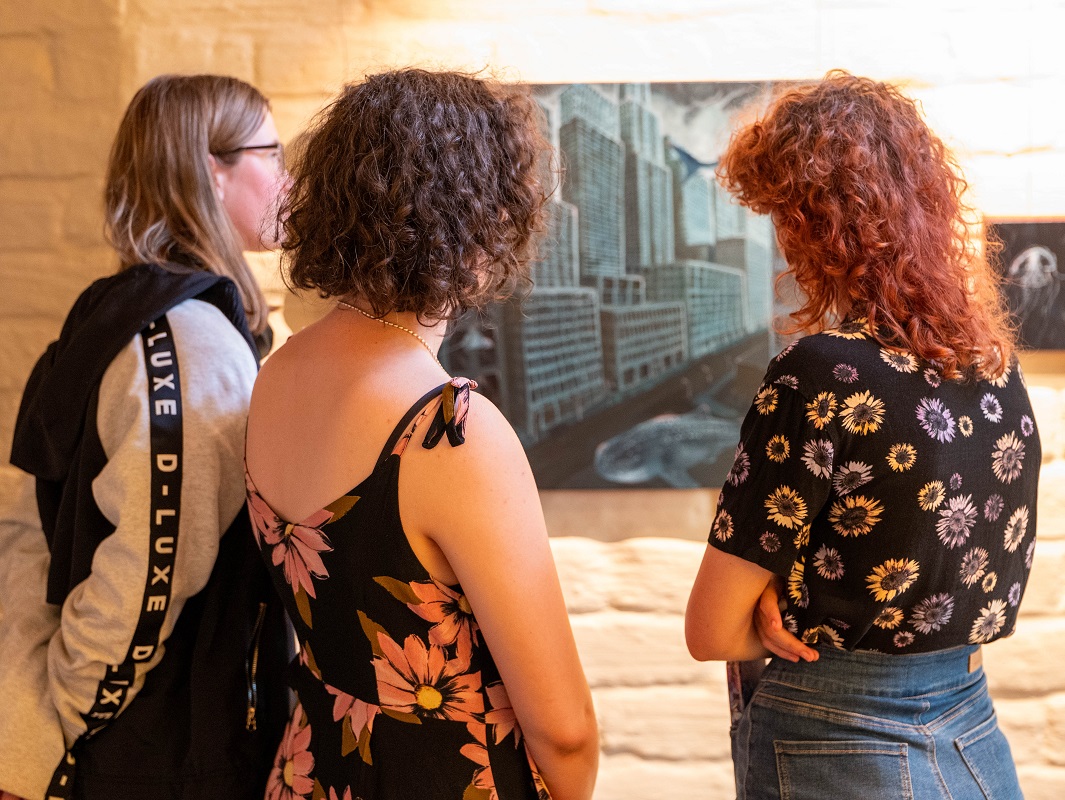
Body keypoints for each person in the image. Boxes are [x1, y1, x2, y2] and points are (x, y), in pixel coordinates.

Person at [244, 68, 599, 800]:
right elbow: (563, 731)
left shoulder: (278, 373)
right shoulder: (449, 430)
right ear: (482, 217)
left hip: (312, 771)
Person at [685, 71, 1037, 800]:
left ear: (819, 224)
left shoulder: (821, 373)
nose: (781, 238)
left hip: (836, 738)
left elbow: (710, 632)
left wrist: (767, 599)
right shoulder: (994, 373)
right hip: (972, 736)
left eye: (786, 212)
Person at [0, 74, 290, 800]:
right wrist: (64, 719)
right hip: (156, 751)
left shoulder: (141, 315)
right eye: (273, 152)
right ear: (210, 171)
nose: (288, 178)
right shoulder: (184, 345)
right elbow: (147, 578)